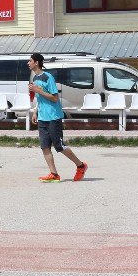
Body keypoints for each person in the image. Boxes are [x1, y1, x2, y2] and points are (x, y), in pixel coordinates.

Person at [28, 53, 88, 183]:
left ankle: (81, 166)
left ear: (36, 62)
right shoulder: (35, 78)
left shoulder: (47, 77)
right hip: (43, 117)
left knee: (59, 146)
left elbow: (55, 98)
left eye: (30, 61)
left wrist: (38, 91)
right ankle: (54, 174)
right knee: (45, 146)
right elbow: (39, 99)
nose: (28, 63)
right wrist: (35, 112)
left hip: (53, 117)